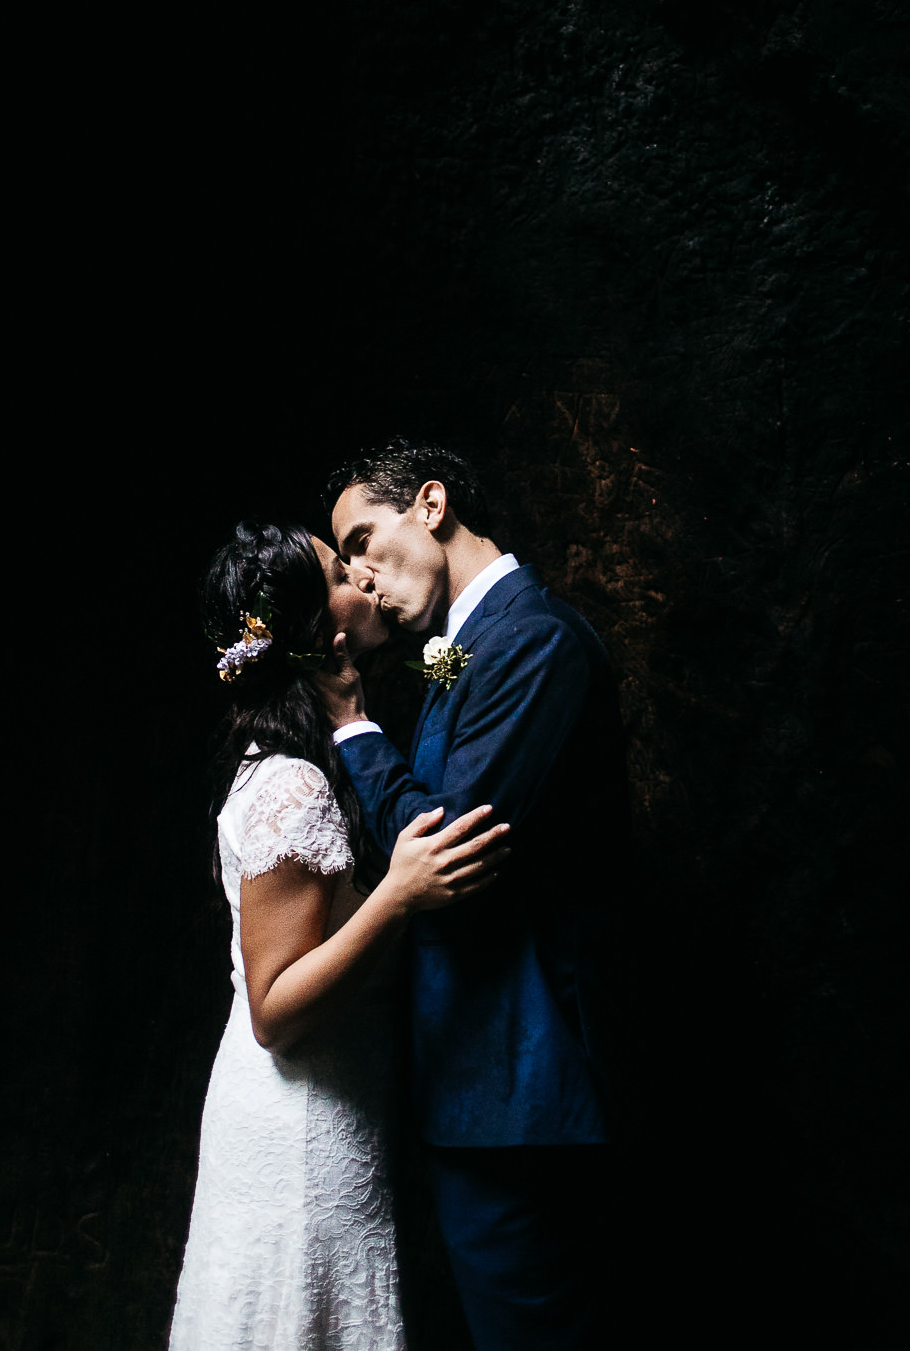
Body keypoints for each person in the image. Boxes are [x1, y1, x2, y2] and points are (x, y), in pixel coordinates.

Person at [316, 440, 630, 1351]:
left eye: (366, 542)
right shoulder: (458, 650)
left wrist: (351, 726)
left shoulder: (533, 637)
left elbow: (445, 846)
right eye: (347, 565)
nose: (363, 577)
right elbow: (435, 741)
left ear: (432, 503)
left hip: (521, 1096)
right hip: (477, 1088)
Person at [168, 520, 511, 1351]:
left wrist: (494, 639)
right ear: (318, 632)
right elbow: (274, 1011)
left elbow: (467, 676)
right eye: (340, 570)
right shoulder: (290, 779)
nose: (364, 573)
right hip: (298, 1122)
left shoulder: (372, 690)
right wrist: (397, 896)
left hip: (341, 1099)